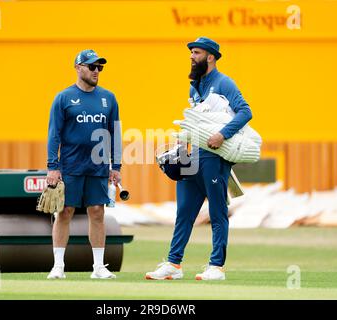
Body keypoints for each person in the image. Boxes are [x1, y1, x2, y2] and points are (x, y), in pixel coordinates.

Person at [146, 37, 252, 281]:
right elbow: (194, 121)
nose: (192, 56)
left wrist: (222, 134)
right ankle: (174, 264)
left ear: (210, 56)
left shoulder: (224, 83)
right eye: (191, 53)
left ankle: (217, 267)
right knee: (184, 211)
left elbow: (246, 111)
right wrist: (181, 146)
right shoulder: (194, 86)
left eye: (196, 52)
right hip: (193, 157)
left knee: (217, 212)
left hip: (215, 157)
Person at [46, 49, 122, 279]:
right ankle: (58, 265)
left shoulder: (108, 98)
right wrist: (52, 166)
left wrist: (116, 166)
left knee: (97, 212)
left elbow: (115, 133)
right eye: (92, 66)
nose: (96, 71)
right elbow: (54, 133)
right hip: (70, 166)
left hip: (98, 166)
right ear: (78, 68)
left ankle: (98, 267)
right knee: (65, 212)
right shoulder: (64, 98)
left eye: (99, 67)